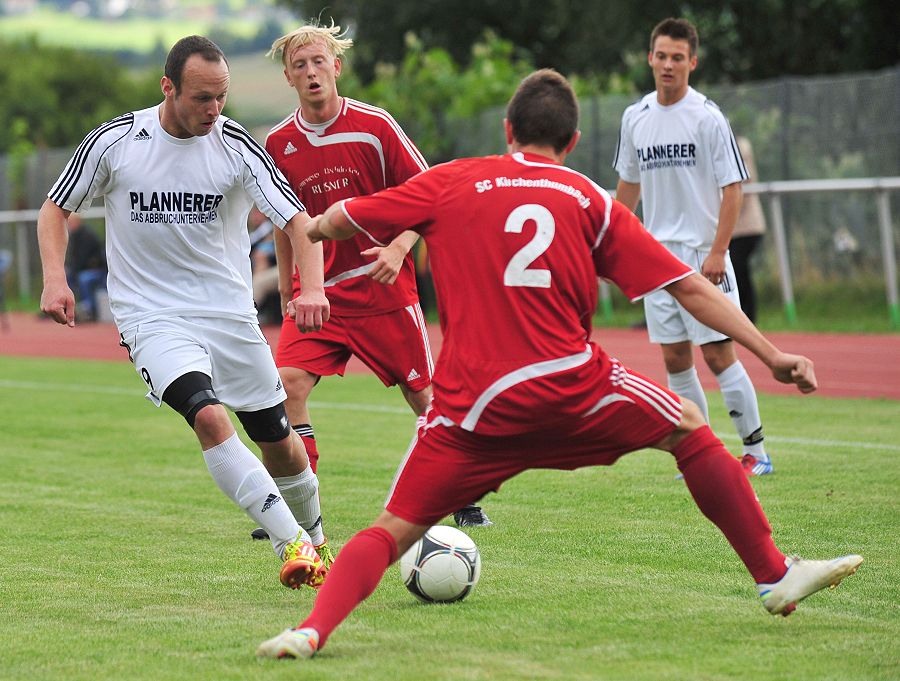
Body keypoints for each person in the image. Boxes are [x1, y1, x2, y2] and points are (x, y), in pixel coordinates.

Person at [256, 69, 862, 660]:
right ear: (572, 141)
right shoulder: (590, 199)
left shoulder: (453, 180)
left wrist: (319, 223)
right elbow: (688, 287)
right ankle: (772, 573)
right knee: (687, 427)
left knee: (390, 531)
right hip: (574, 389)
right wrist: (772, 354)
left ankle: (309, 633)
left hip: (473, 412)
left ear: (507, 129)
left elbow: (338, 218)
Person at [37, 35, 332, 591]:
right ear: (167, 88)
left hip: (229, 316)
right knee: (209, 417)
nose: (214, 109)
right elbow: (56, 208)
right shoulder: (117, 141)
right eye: (201, 98)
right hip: (151, 318)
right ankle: (291, 542)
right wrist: (55, 279)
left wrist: (310, 288)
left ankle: (316, 537)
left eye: (222, 97)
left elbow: (299, 221)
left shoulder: (236, 145)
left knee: (279, 441)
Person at [259, 21, 492, 531]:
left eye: (319, 62)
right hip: (318, 296)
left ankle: (464, 493)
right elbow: (283, 219)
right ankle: (299, 502)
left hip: (382, 290)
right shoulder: (278, 142)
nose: (312, 72)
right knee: (286, 386)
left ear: (336, 67)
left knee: (425, 397)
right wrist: (288, 285)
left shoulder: (374, 125)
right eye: (300, 66)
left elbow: (428, 194)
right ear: (288, 78)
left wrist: (399, 246)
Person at [613, 18, 773, 476]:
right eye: (662, 56)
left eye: (678, 58)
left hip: (701, 257)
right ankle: (701, 454)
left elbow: (733, 188)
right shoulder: (635, 117)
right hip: (654, 258)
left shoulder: (707, 117)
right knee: (675, 358)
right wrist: (615, 246)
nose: (668, 65)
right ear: (650, 59)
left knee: (719, 354)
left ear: (692, 62)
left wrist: (719, 251)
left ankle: (757, 452)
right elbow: (628, 187)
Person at [730, 137, 767, 323]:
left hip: (746, 227)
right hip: (732, 228)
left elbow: (741, 184)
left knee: (738, 268)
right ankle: (743, 317)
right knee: (738, 270)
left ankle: (747, 317)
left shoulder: (740, 146)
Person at [65, 213, 107, 321]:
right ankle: (68, 307)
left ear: (78, 222)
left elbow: (83, 260)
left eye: (70, 223)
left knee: (84, 279)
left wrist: (74, 271)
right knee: (66, 275)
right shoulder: (74, 236)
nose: (68, 225)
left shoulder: (88, 236)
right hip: (83, 269)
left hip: (98, 271)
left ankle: (88, 310)